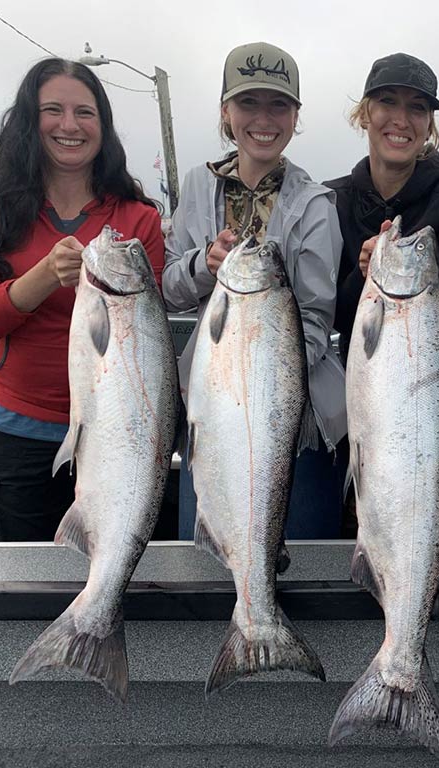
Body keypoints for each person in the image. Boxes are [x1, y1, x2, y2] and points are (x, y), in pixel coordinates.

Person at [0, 58, 165, 542]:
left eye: (85, 113)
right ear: (28, 118)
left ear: (103, 126)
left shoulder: (138, 216)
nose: (69, 125)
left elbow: (150, 337)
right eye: (53, 110)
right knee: (29, 586)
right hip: (21, 434)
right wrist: (46, 274)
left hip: (120, 432)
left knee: (120, 573)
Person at [162, 41, 346, 539]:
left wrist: (259, 383)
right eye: (248, 103)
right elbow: (169, 291)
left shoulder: (316, 204)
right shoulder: (197, 188)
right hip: (207, 405)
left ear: (295, 116)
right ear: (226, 111)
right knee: (203, 559)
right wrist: (204, 264)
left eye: (278, 105)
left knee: (300, 564)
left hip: (293, 408)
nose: (263, 118)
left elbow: (314, 321)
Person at [325, 52, 439, 537]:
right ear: (364, 114)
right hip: (358, 382)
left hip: (433, 381)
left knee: (438, 517)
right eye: (387, 102)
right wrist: (365, 279)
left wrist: (394, 282)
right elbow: (331, 315)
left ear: (430, 125)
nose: (400, 119)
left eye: (417, 108)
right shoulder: (331, 199)